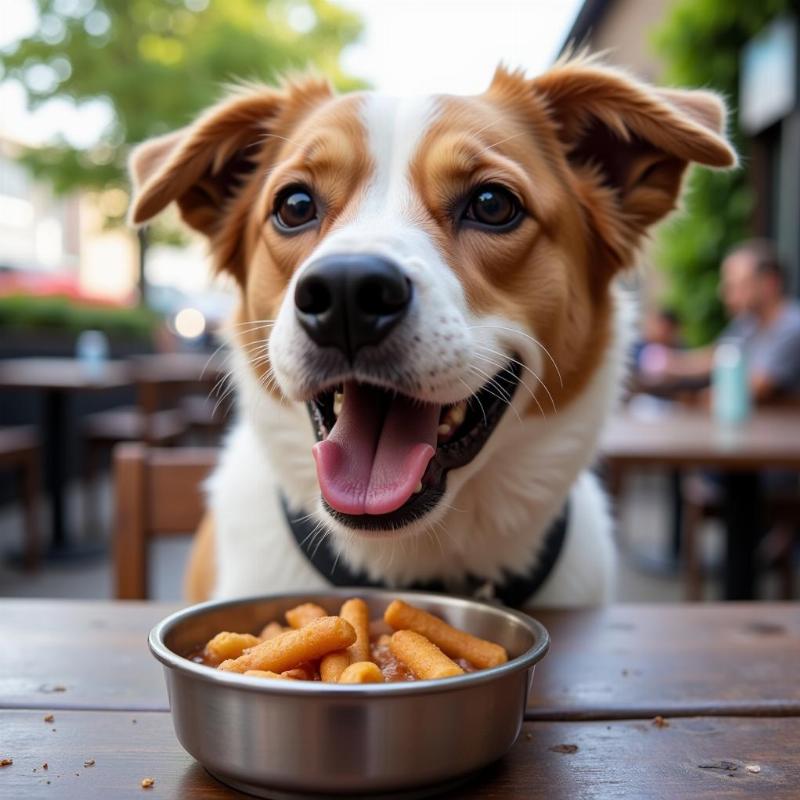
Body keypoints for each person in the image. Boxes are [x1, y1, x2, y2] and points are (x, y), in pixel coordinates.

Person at [645, 239, 800, 403]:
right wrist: (670, 363)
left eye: (736, 285)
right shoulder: (748, 323)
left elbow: (757, 387)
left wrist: (698, 397)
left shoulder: (792, 326)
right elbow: (717, 355)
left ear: (769, 283)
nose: (723, 292)